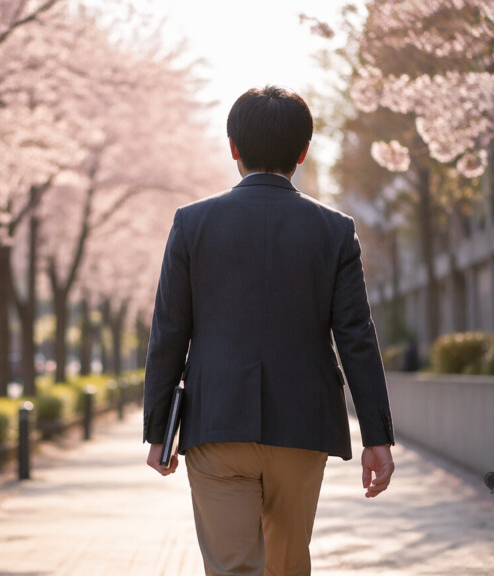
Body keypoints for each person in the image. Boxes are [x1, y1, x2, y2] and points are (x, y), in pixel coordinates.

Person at [143, 85, 396, 576]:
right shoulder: (334, 230)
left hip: (216, 424)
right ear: (303, 152)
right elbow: (356, 336)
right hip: (302, 426)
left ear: (233, 147)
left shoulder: (192, 224)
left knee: (232, 567)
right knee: (286, 565)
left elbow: (169, 330)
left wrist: (158, 429)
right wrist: (377, 436)